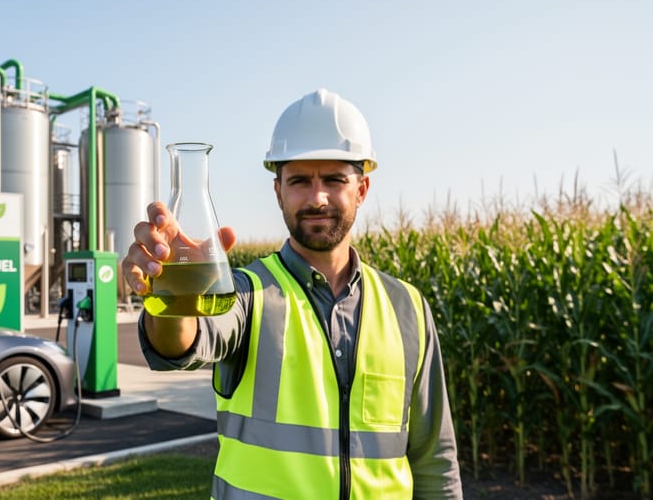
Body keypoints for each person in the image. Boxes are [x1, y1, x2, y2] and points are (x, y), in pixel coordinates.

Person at [122, 88, 463, 499]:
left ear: (362, 189)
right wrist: (171, 281)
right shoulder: (248, 294)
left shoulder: (407, 308)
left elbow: (434, 459)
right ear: (278, 191)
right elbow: (179, 342)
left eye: (334, 179)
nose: (317, 198)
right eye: (299, 180)